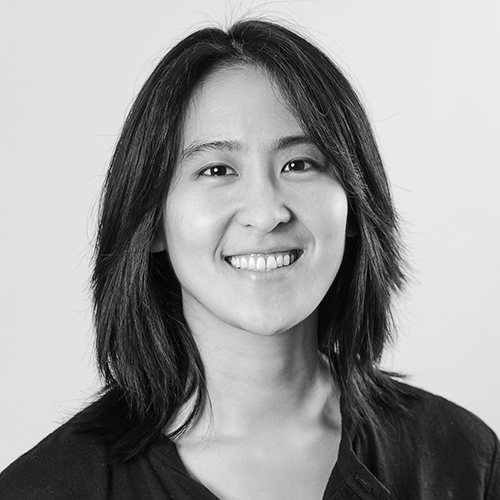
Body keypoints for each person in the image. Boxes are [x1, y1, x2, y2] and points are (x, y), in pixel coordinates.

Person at [0, 18, 498, 500]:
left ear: (353, 201)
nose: (266, 213)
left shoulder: (462, 460)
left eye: (299, 164)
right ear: (152, 221)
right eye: (217, 170)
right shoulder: (50, 488)